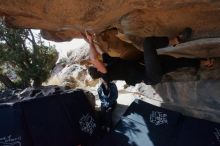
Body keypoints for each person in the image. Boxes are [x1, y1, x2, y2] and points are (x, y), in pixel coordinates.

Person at [81, 28, 214, 86]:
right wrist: (91, 43)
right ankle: (175, 41)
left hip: (147, 67)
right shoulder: (106, 74)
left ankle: (204, 63)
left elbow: (99, 52)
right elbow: (94, 59)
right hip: (150, 75)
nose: (96, 62)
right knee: (148, 43)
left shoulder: (108, 63)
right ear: (98, 70)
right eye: (95, 66)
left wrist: (90, 41)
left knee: (177, 62)